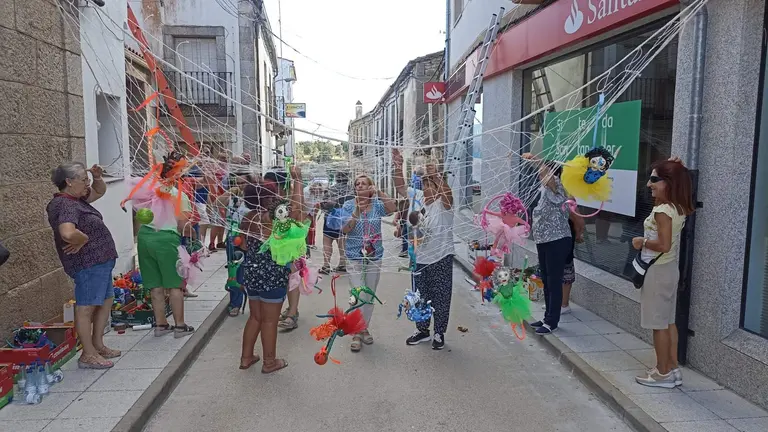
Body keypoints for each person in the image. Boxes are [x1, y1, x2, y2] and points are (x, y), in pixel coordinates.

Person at [47, 162, 121, 369]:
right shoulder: (65, 204)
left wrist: (97, 178)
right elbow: (68, 232)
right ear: (69, 182)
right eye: (83, 179)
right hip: (88, 263)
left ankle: (98, 344)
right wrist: (83, 238)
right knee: (86, 307)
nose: (86, 183)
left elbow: (99, 191)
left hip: (101, 261)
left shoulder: (76, 199)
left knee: (106, 301)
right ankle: (87, 354)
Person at [633, 158, 694, 388]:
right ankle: (673, 368)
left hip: (658, 271)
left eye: (655, 179)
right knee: (668, 323)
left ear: (669, 182)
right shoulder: (677, 207)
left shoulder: (662, 211)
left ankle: (662, 373)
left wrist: (642, 242)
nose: (649, 184)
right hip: (668, 269)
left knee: (659, 324)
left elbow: (664, 244)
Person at [238, 166, 304, 373]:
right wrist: (298, 181)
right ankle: (269, 362)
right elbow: (298, 210)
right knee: (270, 320)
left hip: (252, 274)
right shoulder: (273, 218)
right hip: (272, 276)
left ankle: (246, 358)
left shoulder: (248, 217)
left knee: (255, 317)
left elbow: (243, 246)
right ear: (269, 198)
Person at [393, 150, 455, 350]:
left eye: (432, 184)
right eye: (425, 184)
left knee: (441, 296)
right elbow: (400, 186)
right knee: (419, 296)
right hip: (419, 258)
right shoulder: (417, 197)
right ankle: (422, 330)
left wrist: (436, 175)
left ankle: (439, 332)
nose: (427, 188)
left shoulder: (444, 204)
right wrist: (397, 165)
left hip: (441, 257)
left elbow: (449, 197)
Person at [136, 157, 196, 340]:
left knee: (155, 285)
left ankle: (160, 325)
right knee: (175, 285)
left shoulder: (148, 192)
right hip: (166, 239)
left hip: (145, 237)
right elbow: (183, 225)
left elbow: (139, 217)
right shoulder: (179, 196)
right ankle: (180, 326)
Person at [341, 174, 397, 352]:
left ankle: (364, 327)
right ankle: (356, 333)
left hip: (374, 255)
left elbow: (393, 208)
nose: (359, 186)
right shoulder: (348, 205)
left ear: (370, 187)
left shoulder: (378, 205)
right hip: (354, 255)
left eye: (364, 183)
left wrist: (379, 191)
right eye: (357, 183)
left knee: (370, 294)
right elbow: (345, 229)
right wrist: (356, 212)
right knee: (358, 294)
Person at [522, 153, 572, 335]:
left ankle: (552, 321)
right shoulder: (544, 190)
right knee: (546, 280)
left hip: (557, 240)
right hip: (544, 241)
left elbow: (549, 178)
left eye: (543, 172)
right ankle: (546, 316)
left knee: (554, 280)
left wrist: (537, 160)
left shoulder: (558, 187)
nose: (540, 176)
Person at [216, 173, 251, 316]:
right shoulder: (233, 199)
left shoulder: (253, 200)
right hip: (233, 239)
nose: (241, 186)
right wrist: (231, 191)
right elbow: (217, 203)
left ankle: (256, 301)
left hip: (249, 241)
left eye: (243, 183)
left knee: (251, 271)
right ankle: (235, 303)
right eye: (238, 183)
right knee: (235, 272)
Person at [319, 171, 353, 275]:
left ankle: (326, 265)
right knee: (341, 241)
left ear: (336, 178)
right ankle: (342, 264)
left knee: (327, 241)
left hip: (330, 218)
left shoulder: (330, 190)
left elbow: (323, 205)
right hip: (344, 219)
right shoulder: (351, 190)